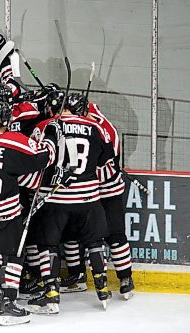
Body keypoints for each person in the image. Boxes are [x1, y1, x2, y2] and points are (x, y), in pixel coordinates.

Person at [0, 101, 60, 326]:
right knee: (13, 255)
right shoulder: (15, 142)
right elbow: (45, 156)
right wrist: (52, 135)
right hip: (4, 212)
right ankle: (8, 302)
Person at [27, 92, 115, 314]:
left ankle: (51, 294)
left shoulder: (46, 125)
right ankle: (102, 289)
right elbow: (106, 158)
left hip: (54, 198)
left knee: (48, 245)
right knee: (95, 242)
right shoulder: (95, 127)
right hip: (88, 198)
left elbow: (35, 156)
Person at [60, 93, 135, 299]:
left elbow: (108, 164)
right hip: (89, 190)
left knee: (112, 234)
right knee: (73, 232)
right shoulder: (87, 123)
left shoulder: (100, 128)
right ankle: (80, 276)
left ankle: (124, 278)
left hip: (102, 190)